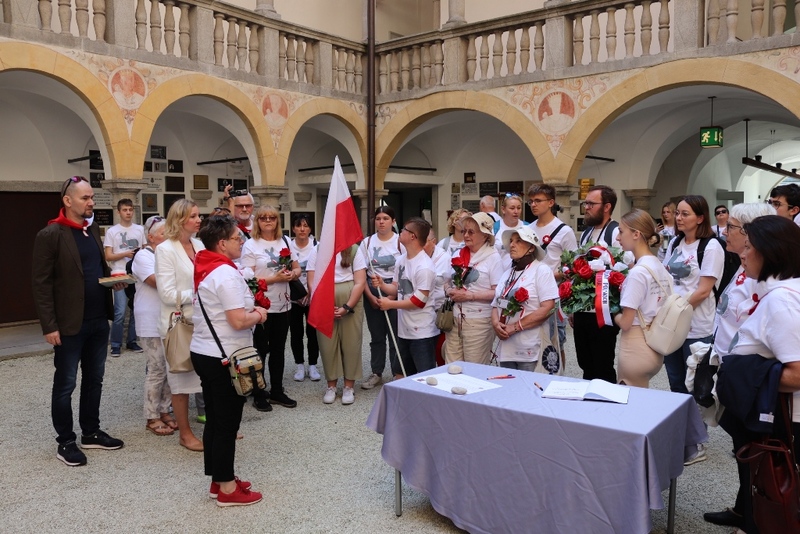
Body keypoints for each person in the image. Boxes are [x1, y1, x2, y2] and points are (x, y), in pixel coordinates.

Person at [714, 215, 800, 533]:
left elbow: (798, 372)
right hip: (776, 418)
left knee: (772, 497)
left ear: (770, 251)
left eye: (749, 247)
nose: (742, 254)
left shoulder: (782, 302)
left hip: (782, 423)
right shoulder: (782, 293)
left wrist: (743, 377)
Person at [32, 176, 124, 467]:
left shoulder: (92, 229)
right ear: (68, 201)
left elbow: (95, 269)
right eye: (85, 198)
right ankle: (66, 441)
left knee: (94, 380)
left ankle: (91, 432)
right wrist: (49, 326)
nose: (91, 203)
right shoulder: (51, 234)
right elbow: (41, 284)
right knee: (66, 384)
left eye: (92, 198)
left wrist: (113, 282)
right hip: (69, 324)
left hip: (98, 320)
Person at [702, 202, 775, 530]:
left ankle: (757, 513)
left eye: (730, 226)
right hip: (729, 367)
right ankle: (744, 506)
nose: (724, 231)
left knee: (751, 451)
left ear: (748, 233)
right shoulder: (744, 265)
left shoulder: (764, 276)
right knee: (741, 447)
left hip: (747, 375)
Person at [190, 215, 267, 507]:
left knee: (215, 420)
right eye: (237, 238)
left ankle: (219, 477)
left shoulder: (208, 267)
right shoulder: (225, 274)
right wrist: (259, 314)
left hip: (206, 352)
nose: (242, 241)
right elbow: (237, 320)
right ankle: (226, 488)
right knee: (226, 424)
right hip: (224, 356)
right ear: (222, 243)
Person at [662, 195, 724, 466]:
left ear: (700, 217)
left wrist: (675, 311)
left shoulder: (711, 247)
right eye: (677, 213)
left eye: (685, 214)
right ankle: (682, 435)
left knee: (696, 385)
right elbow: (667, 278)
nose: (679, 218)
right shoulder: (675, 242)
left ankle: (698, 442)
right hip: (673, 323)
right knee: (676, 381)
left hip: (697, 325)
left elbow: (703, 289)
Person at [155, 199, 204, 452]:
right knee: (181, 379)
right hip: (178, 323)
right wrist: (198, 291)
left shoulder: (199, 244)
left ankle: (216, 426)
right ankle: (185, 434)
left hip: (202, 320)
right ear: (179, 219)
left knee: (208, 375)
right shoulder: (165, 249)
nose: (199, 219)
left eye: (198, 215)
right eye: (193, 216)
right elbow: (166, 293)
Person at [240, 205, 300, 411]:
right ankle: (258, 392)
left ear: (277, 221)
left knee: (278, 350)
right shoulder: (250, 245)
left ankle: (277, 390)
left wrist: (294, 274)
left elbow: (297, 267)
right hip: (261, 306)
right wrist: (274, 278)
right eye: (263, 218)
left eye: (272, 218)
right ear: (257, 221)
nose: (268, 221)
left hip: (283, 304)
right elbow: (248, 279)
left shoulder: (285, 241)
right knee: (259, 351)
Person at [613, 209, 673, 388]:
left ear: (636, 234)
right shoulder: (659, 266)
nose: (617, 238)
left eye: (622, 231)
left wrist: (610, 310)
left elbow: (626, 322)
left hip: (635, 347)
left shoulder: (638, 273)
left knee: (630, 405)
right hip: (655, 345)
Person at [373, 218, 438, 376]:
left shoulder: (425, 267)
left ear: (413, 236)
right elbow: (396, 287)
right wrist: (382, 284)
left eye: (403, 229)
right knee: (400, 372)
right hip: (403, 330)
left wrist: (390, 305)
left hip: (422, 332)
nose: (399, 231)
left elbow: (418, 301)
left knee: (424, 376)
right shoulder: (401, 260)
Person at [572, 185, 624, 383]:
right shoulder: (586, 233)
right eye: (585, 203)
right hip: (583, 310)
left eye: (591, 204)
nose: (586, 207)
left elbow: (623, 269)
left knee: (602, 365)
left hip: (604, 312)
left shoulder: (616, 232)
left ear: (606, 207)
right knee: (585, 363)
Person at [490, 227, 558, 371]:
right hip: (507, 349)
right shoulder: (508, 272)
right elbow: (495, 304)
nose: (512, 245)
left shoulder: (542, 270)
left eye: (518, 241)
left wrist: (514, 327)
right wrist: (496, 324)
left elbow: (548, 307)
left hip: (530, 348)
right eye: (511, 241)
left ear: (531, 248)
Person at [132, 215, 176, 436]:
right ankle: (152, 415)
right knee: (156, 367)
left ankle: (165, 409)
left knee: (170, 367)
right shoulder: (143, 256)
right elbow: (156, 282)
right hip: (150, 318)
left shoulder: (168, 254)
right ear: (150, 237)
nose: (168, 236)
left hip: (168, 317)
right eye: (163, 233)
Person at [307, 244, 367, 405]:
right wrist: (323, 303)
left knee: (351, 342)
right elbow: (311, 280)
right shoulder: (318, 249)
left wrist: (347, 306)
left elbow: (360, 281)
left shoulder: (354, 249)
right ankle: (331, 385)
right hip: (324, 298)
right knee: (327, 343)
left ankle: (349, 386)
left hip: (350, 298)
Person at [528, 183, 578, 368]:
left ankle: (558, 379)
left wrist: (548, 276)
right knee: (532, 339)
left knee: (556, 341)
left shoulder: (564, 231)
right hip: (530, 293)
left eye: (538, 201)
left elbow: (572, 266)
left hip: (552, 293)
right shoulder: (529, 228)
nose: (533, 205)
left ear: (551, 202)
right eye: (531, 201)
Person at [444, 212, 502, 365]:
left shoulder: (493, 257)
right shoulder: (458, 253)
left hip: (479, 321)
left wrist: (470, 296)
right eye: (464, 231)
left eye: (471, 232)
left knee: (474, 368)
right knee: (452, 367)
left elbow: (498, 292)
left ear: (485, 236)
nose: (466, 235)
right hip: (455, 319)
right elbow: (445, 282)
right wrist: (449, 291)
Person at [360, 206, 404, 390]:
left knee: (395, 334)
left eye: (386, 218)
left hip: (395, 289)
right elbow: (361, 273)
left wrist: (393, 295)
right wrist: (369, 296)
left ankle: (397, 372)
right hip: (372, 289)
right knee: (377, 335)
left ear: (393, 221)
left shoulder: (400, 242)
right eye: (378, 218)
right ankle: (376, 372)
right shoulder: (367, 243)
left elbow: (405, 271)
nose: (381, 221)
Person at [103, 198, 144, 356]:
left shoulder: (139, 229)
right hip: (119, 273)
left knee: (134, 310)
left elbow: (145, 250)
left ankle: (132, 341)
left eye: (130, 209)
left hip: (135, 274)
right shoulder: (112, 231)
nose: (128, 213)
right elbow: (108, 255)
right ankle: (115, 344)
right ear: (118, 212)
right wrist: (125, 254)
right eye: (125, 210)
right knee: (120, 311)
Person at [288, 214, 320, 382]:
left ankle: (313, 365)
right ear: (293, 228)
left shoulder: (317, 246)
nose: (302, 229)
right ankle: (299, 364)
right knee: (296, 333)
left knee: (313, 332)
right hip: (293, 297)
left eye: (306, 226)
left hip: (312, 296)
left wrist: (309, 293)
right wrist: (298, 295)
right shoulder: (288, 247)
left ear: (310, 229)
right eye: (299, 226)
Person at [494, 193, 527, 270]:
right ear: (503, 209)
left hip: (521, 275)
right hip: (499, 275)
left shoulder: (527, 227)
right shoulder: (494, 228)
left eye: (519, 208)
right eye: (512, 208)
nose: (516, 211)